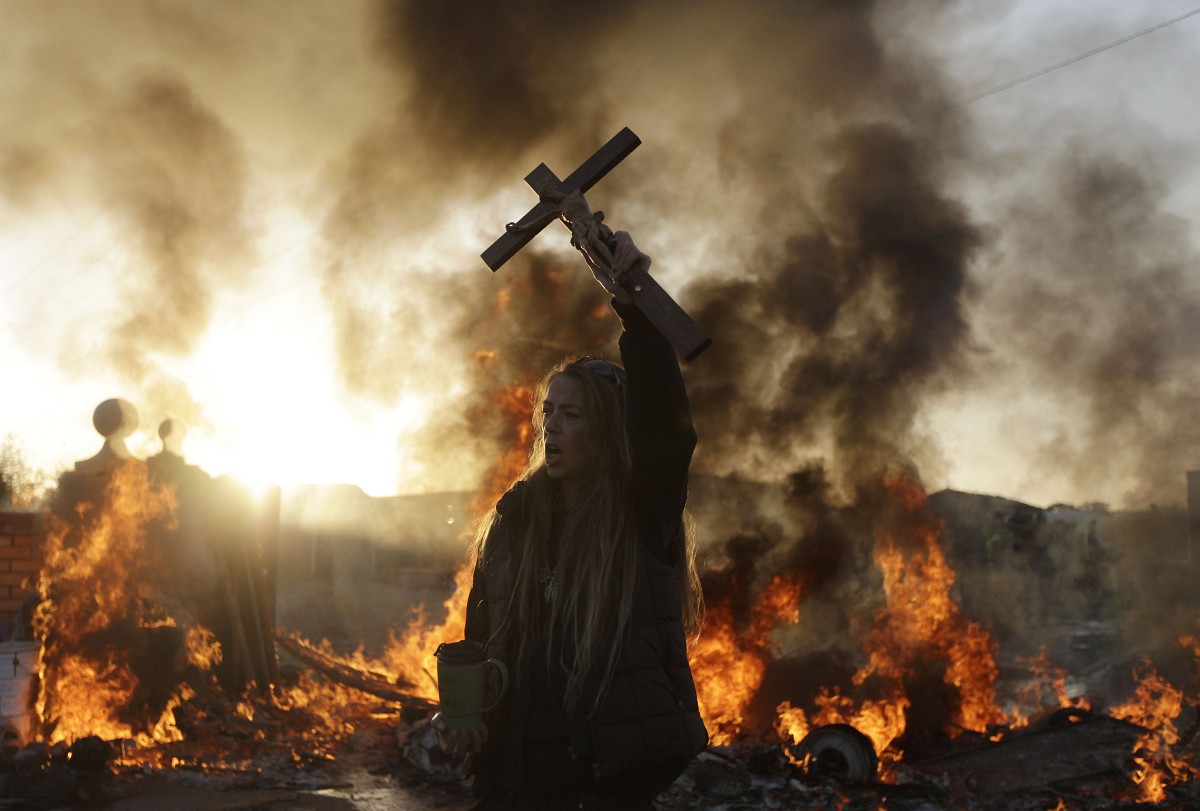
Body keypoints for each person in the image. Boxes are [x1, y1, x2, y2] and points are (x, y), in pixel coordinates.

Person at [434, 231, 708, 810]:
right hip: (514, 767)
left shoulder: (640, 513)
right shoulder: (514, 518)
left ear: (607, 431)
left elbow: (667, 433)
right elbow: (482, 632)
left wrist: (635, 305)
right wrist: (464, 711)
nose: (551, 428)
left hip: (603, 774)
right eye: (548, 413)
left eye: (572, 415)